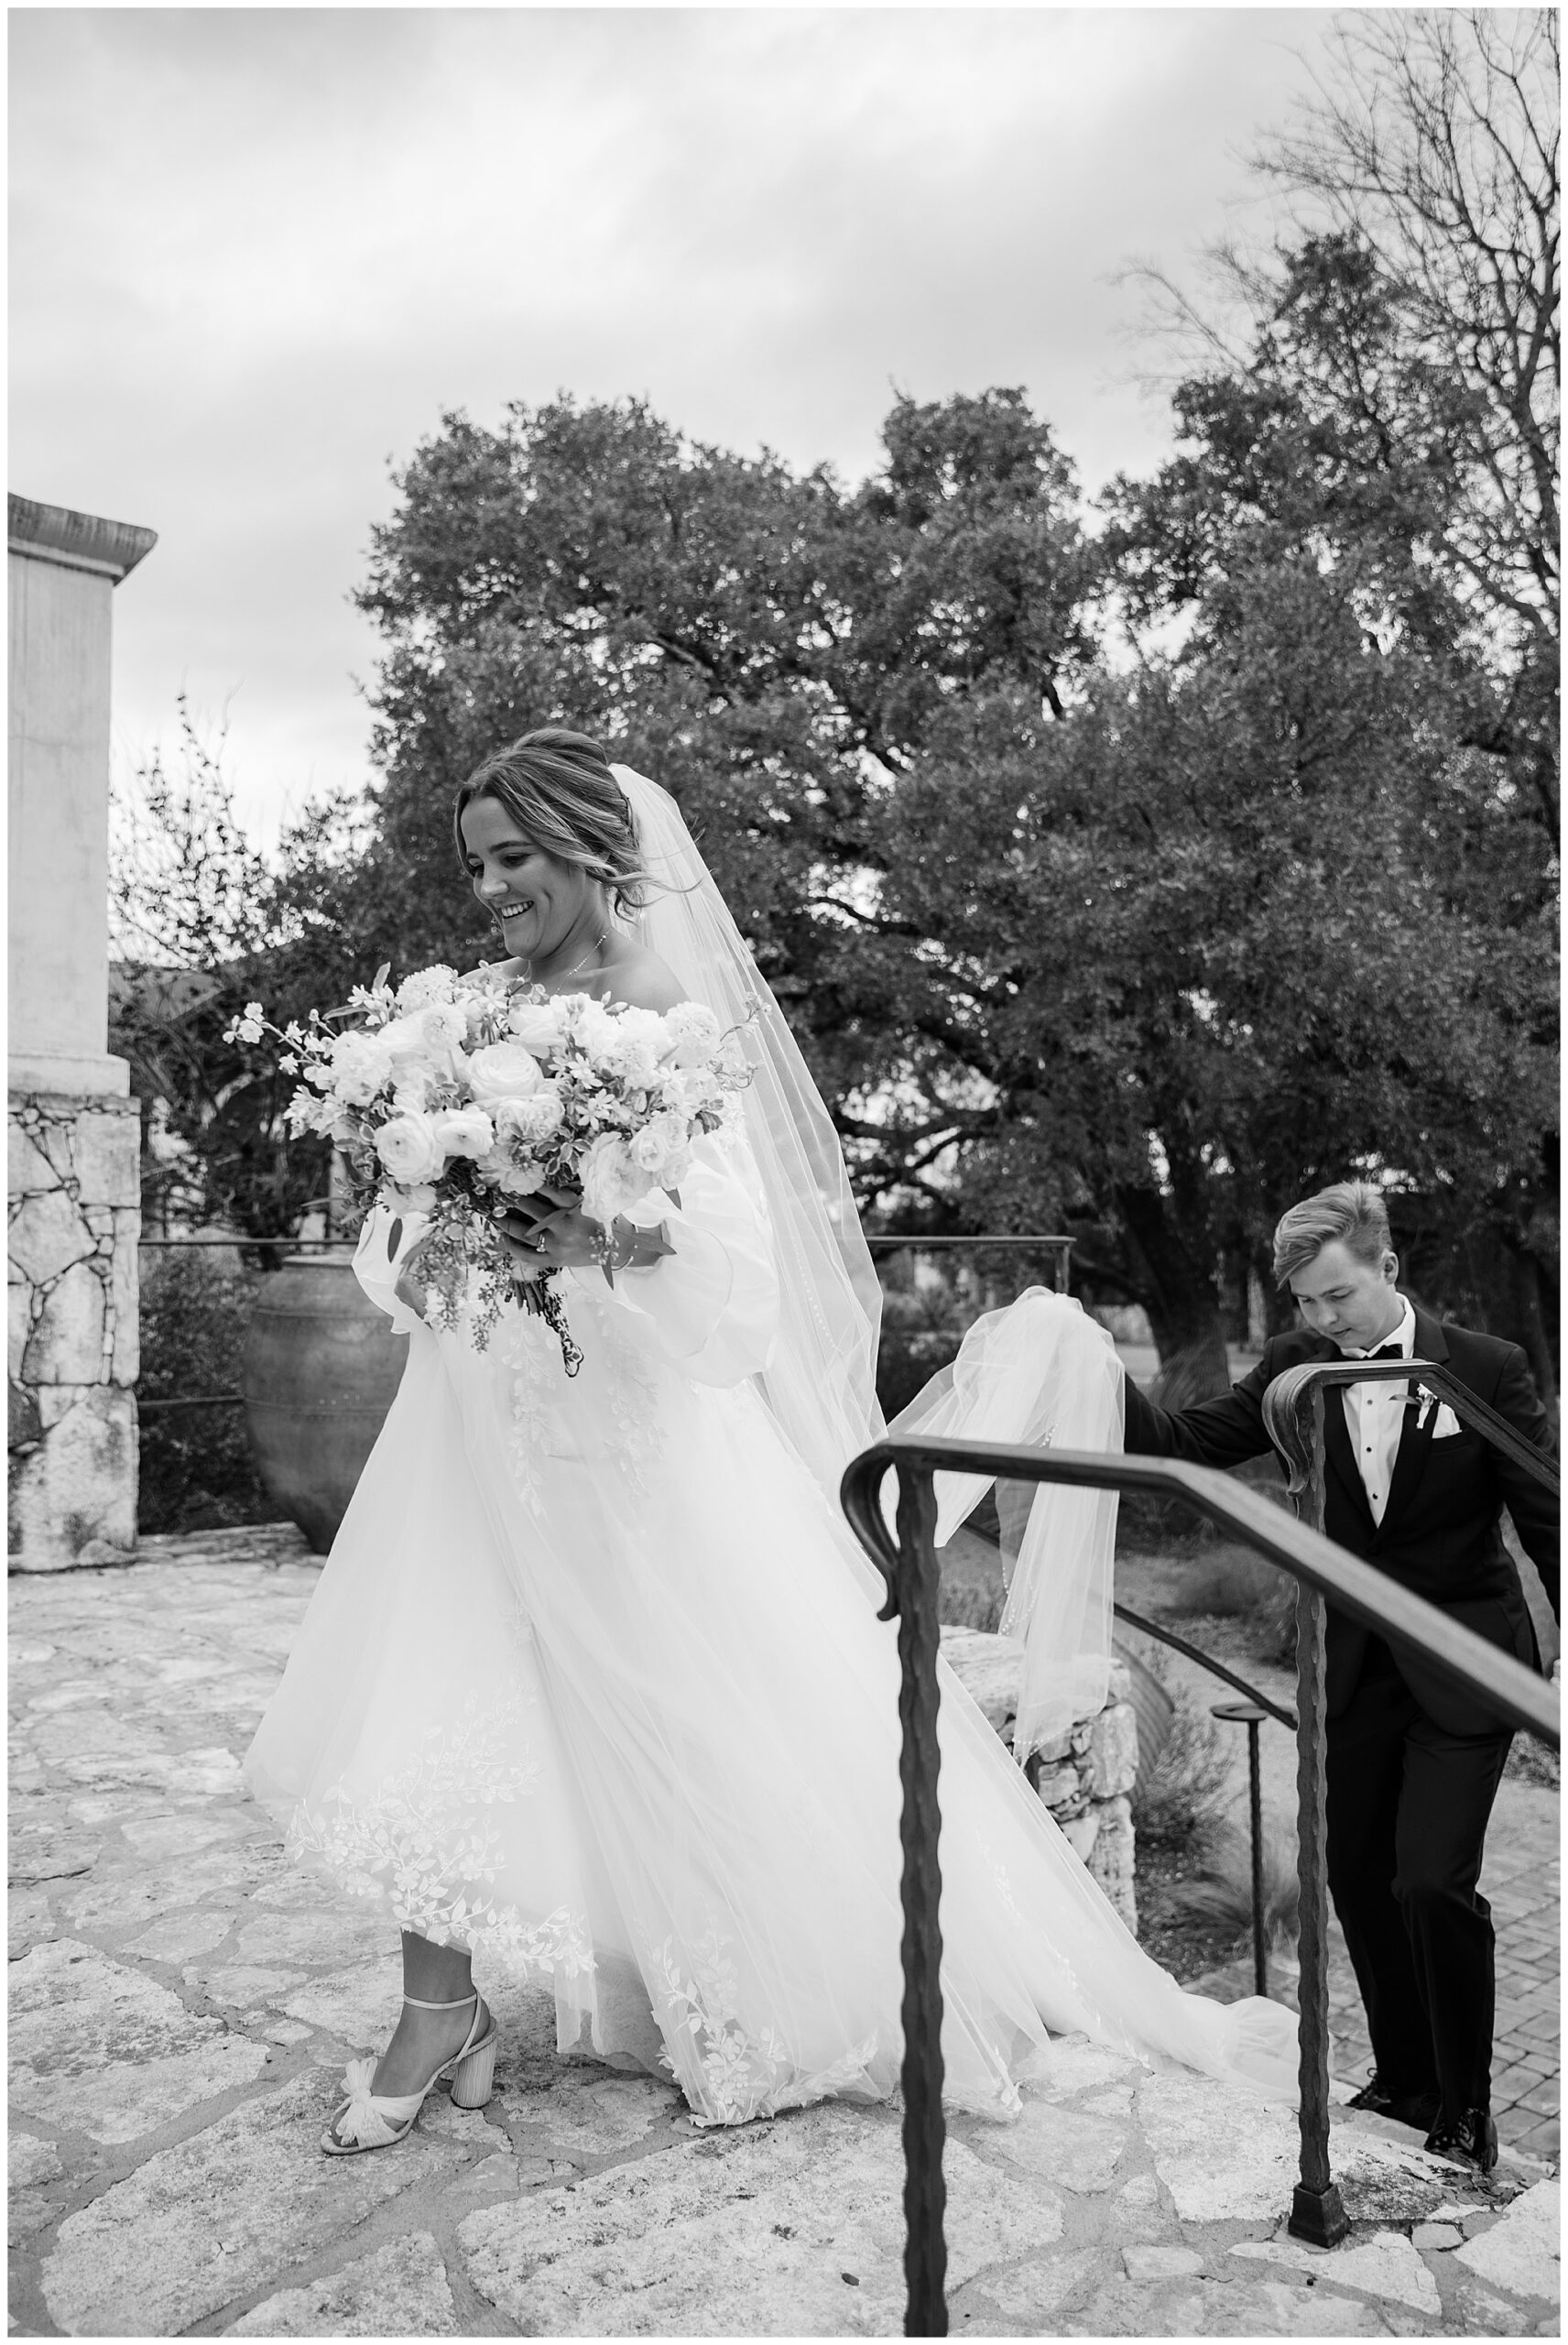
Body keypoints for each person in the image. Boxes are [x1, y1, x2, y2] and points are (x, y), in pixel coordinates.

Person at [245, 726, 1298, 2156]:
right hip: (477, 1417)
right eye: (475, 866)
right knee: (437, 1691)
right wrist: (428, 1248)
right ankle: (439, 2009)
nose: (489, 891)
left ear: (592, 850)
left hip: (625, 1440)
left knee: (681, 1716)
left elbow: (736, 1289)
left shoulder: (664, 1016)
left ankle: (734, 1982)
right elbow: (405, 1221)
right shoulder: (469, 1017)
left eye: (513, 859)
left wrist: (599, 1240)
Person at [1120, 1183, 1560, 2175]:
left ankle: (1464, 2107)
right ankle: (1403, 2079)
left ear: (1386, 1268)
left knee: (1429, 1881)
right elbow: (1185, 1443)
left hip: (1464, 1662)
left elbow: (1547, 1516)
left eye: (1338, 1295)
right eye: (1306, 1302)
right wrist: (1083, 1365)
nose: (1323, 1319)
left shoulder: (1485, 1366)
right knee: (1355, 1876)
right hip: (1348, 1668)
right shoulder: (1294, 1365)